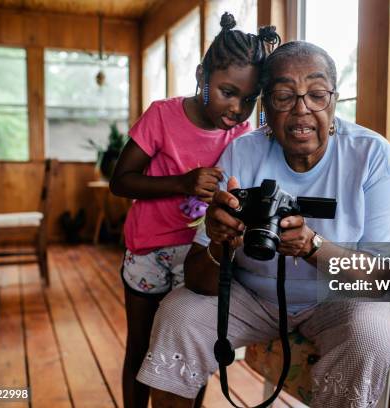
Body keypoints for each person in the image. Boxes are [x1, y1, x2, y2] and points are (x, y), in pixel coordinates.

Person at [136, 41, 390, 408]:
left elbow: (382, 277)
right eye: (283, 96)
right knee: (178, 313)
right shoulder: (244, 152)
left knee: (371, 332)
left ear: (334, 100)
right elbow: (198, 279)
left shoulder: (370, 154)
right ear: (265, 105)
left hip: (339, 300)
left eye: (316, 94)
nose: (301, 109)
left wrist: (313, 247)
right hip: (252, 296)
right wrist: (217, 241)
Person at [109, 13, 280, 408]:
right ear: (202, 75)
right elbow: (121, 181)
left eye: (249, 99)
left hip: (202, 256)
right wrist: (183, 183)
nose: (237, 108)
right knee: (141, 345)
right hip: (149, 250)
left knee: (192, 349)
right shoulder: (162, 116)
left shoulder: (243, 135)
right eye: (227, 91)